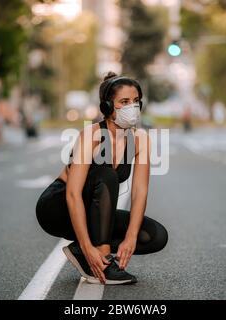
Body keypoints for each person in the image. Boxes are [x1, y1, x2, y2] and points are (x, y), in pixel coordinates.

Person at [35, 72, 168, 285]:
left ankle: (78, 249)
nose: (131, 107)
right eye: (124, 102)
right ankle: (102, 259)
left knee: (155, 236)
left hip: (94, 211)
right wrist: (90, 248)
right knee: (106, 174)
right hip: (58, 207)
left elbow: (139, 192)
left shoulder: (140, 140)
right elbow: (73, 193)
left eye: (135, 101)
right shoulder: (92, 136)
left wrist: (131, 237)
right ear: (107, 107)